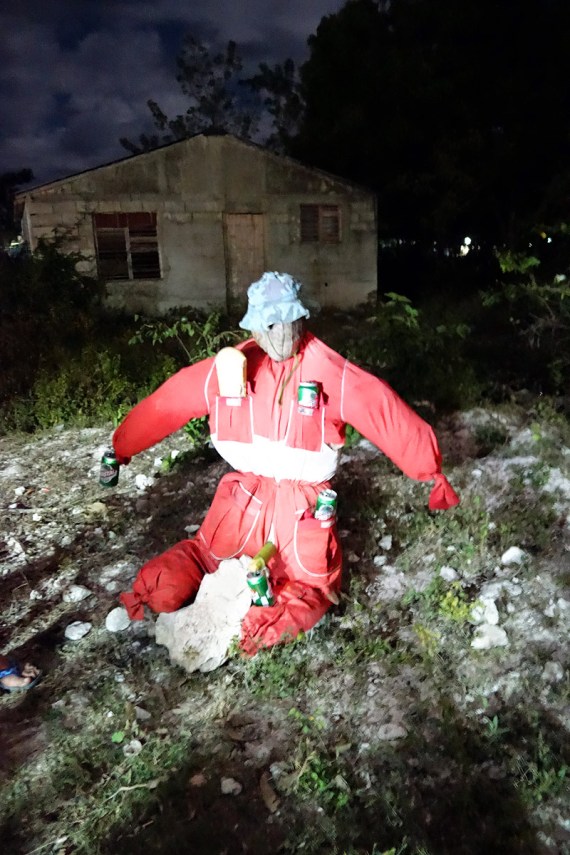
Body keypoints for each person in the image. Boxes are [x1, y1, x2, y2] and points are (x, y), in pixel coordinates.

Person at [114, 272, 459, 654]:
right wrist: (122, 445)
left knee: (303, 592)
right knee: (189, 570)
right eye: (269, 325)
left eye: (287, 324)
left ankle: (261, 622)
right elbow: (169, 401)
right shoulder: (228, 368)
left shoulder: (331, 373)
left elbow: (382, 409)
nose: (279, 336)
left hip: (301, 510)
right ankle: (176, 588)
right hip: (244, 502)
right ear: (255, 327)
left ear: (302, 321)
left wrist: (429, 469)